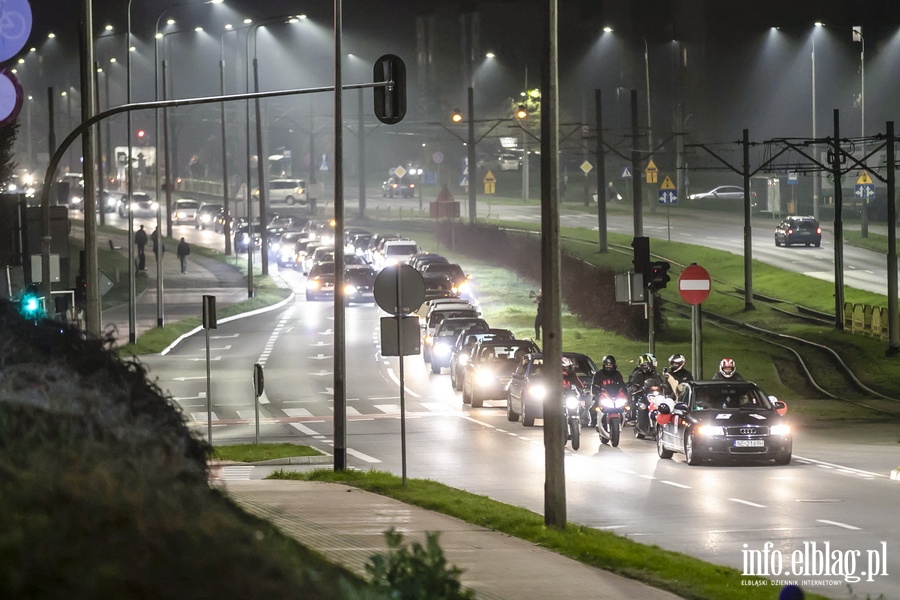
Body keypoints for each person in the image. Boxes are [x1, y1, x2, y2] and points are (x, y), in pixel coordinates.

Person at [589, 355, 625, 427]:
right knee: (593, 409)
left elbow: (622, 385)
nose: (608, 367)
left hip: (615, 397)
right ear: (603, 365)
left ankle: (624, 419)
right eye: (607, 365)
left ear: (614, 365)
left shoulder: (617, 374)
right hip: (603, 396)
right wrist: (595, 393)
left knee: (625, 406)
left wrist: (625, 391)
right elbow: (594, 385)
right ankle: (594, 422)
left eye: (610, 365)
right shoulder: (599, 374)